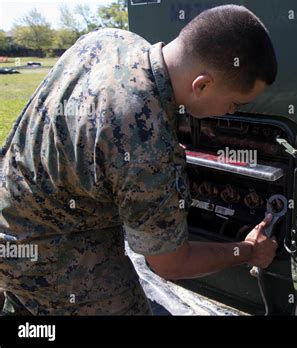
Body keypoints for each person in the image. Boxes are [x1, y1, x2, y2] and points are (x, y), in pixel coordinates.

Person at [0, 5, 278, 315]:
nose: (231, 111)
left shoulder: (109, 39)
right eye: (235, 102)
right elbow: (171, 264)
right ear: (201, 84)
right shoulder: (147, 145)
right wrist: (249, 250)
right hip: (45, 253)